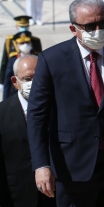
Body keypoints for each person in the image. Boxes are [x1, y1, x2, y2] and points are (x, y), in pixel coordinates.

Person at [27, 0, 104, 206]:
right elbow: (37, 115)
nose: (98, 30)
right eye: (90, 26)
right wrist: (41, 165)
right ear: (73, 29)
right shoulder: (52, 59)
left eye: (103, 23)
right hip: (73, 164)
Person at [0, 54, 55, 206]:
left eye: (38, 78)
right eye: (28, 79)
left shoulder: (59, 108)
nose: (34, 83)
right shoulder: (2, 113)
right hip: (18, 196)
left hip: (56, 192)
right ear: (15, 82)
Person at [0, 16, 42, 93]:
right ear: (17, 26)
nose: (25, 45)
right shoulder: (10, 40)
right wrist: (2, 81)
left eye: (25, 26)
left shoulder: (35, 41)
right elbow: (4, 62)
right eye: (21, 26)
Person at [3, 31, 37, 100]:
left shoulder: (38, 58)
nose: (25, 45)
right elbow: (7, 81)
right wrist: (5, 100)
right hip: (17, 93)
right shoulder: (13, 60)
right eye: (22, 43)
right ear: (17, 45)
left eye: (27, 42)